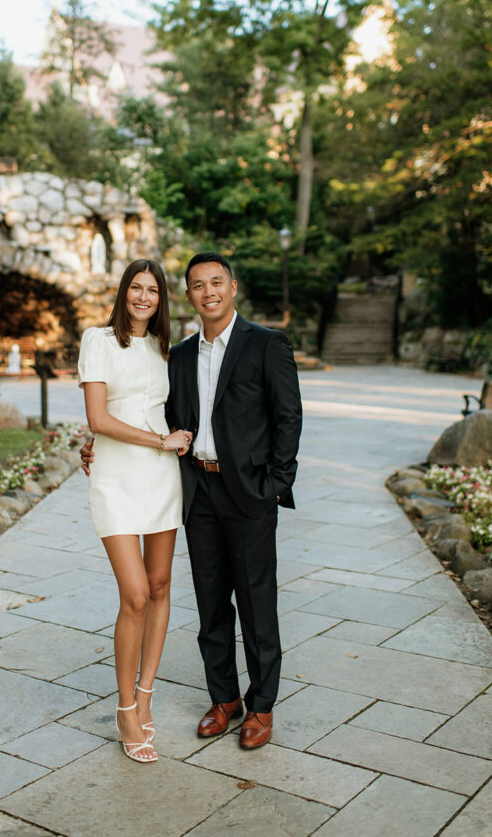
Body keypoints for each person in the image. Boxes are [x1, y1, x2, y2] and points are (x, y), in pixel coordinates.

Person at [82, 252, 302, 750]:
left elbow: (288, 417)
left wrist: (275, 484)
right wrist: (95, 439)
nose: (209, 292)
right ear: (188, 295)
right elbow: (157, 415)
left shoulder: (266, 344)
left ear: (233, 287)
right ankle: (224, 699)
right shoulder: (176, 353)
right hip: (195, 489)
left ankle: (261, 706)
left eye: (217, 282)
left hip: (248, 493)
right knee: (210, 606)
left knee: (256, 603)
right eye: (198, 285)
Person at [77, 259, 192, 764]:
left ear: (161, 299)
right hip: (117, 478)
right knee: (136, 593)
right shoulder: (97, 341)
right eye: (136, 288)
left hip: (162, 480)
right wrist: (159, 442)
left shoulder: (168, 349)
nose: (144, 297)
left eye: (153, 290)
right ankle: (125, 708)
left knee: (162, 586)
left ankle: (146, 696)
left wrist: (173, 444)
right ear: (123, 292)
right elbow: (98, 417)